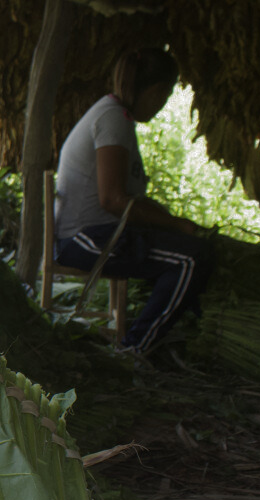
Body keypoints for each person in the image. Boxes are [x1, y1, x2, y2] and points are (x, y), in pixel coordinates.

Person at [54, 47, 213, 353]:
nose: (161, 105)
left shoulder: (115, 115)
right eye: (164, 97)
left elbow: (126, 198)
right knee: (191, 260)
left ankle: (150, 338)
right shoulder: (113, 119)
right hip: (84, 240)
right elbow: (114, 201)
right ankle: (135, 350)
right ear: (155, 90)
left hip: (96, 234)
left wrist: (168, 222)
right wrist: (173, 223)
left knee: (186, 249)